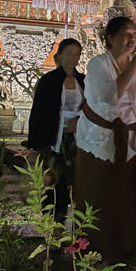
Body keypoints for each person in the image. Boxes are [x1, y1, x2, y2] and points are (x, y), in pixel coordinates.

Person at [74, 16, 136, 263]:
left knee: (128, 199)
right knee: (98, 199)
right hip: (99, 144)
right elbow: (109, 96)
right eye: (125, 34)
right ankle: (92, 257)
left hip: (131, 144)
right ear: (110, 38)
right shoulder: (98, 64)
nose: (132, 39)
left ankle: (123, 255)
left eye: (134, 34)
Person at [26, 38, 85, 224]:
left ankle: (78, 228)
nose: (73, 58)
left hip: (77, 138)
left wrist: (79, 122)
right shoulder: (49, 81)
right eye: (69, 53)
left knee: (78, 183)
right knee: (55, 184)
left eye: (77, 54)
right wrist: (35, 145)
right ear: (59, 55)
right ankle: (54, 226)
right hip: (53, 138)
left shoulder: (83, 81)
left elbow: (91, 108)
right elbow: (39, 113)